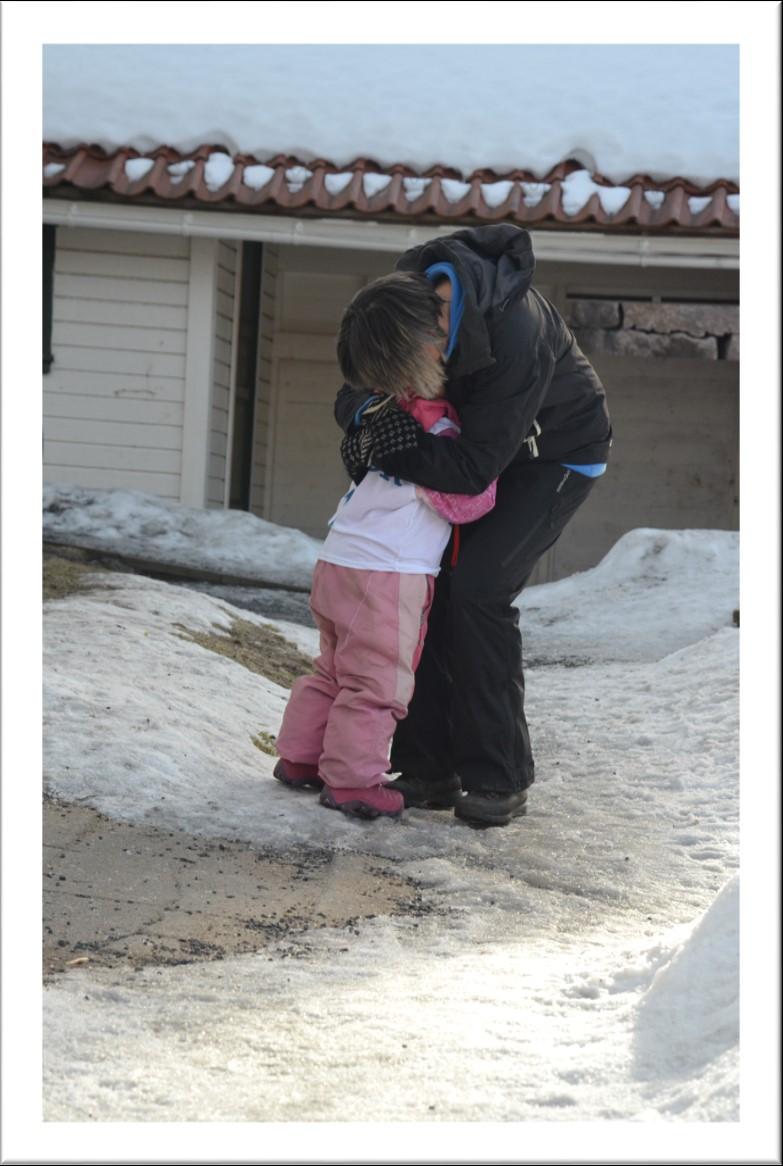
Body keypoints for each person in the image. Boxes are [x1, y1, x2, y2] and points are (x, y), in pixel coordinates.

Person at [335, 223, 612, 828]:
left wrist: (385, 445)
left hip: (555, 455)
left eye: (403, 376)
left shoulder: (515, 332)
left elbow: (468, 469)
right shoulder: (401, 305)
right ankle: (429, 768)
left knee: (480, 589)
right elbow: (359, 393)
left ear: (433, 340)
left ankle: (500, 775)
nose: (398, 390)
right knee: (424, 582)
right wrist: (365, 417)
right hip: (482, 450)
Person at [273, 335, 497, 821]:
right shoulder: (441, 434)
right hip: (388, 573)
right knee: (375, 681)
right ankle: (354, 782)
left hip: (336, 561)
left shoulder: (383, 423)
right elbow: (465, 500)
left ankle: (299, 758)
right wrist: (492, 468)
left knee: (333, 669)